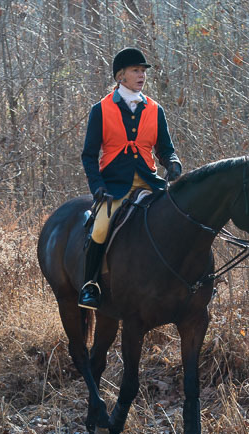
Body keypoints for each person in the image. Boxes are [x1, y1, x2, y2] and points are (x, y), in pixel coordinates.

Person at [79, 47, 182, 309]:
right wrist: (97, 187)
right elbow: (89, 155)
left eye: (143, 71)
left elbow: (165, 149)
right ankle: (91, 285)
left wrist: (173, 162)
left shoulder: (155, 110)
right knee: (100, 228)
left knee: (180, 216)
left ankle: (187, 282)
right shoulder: (100, 110)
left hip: (150, 181)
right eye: (136, 70)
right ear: (120, 76)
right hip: (114, 185)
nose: (141, 75)